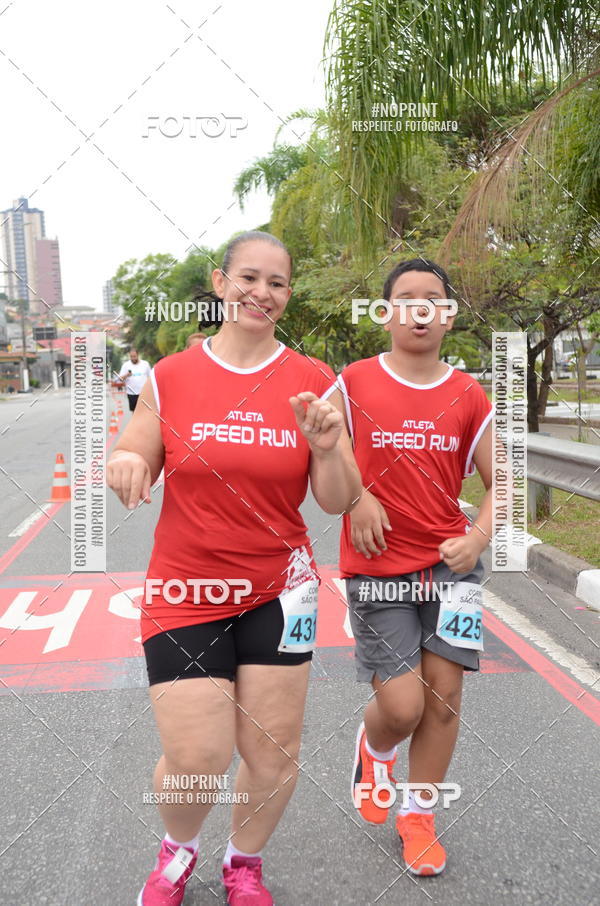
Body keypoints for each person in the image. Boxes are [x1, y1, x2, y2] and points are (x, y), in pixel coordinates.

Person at [107, 230, 361, 906]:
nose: (262, 293)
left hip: (281, 592)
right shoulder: (174, 375)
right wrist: (128, 463)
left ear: (286, 296)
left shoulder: (313, 382)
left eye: (277, 283)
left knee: (271, 753)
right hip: (187, 589)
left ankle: (243, 862)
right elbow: (137, 447)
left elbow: (338, 498)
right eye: (249, 278)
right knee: (197, 757)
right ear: (220, 285)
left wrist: (329, 448)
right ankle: (178, 852)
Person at [331, 259, 493, 877]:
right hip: (379, 570)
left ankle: (419, 815)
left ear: (448, 315)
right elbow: (328, 455)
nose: (420, 309)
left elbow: (499, 478)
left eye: (433, 299)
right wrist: (356, 497)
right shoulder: (352, 383)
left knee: (444, 700)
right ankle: (375, 752)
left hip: (453, 571)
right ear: (387, 312)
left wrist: (479, 536)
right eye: (405, 299)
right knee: (403, 706)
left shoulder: (467, 392)